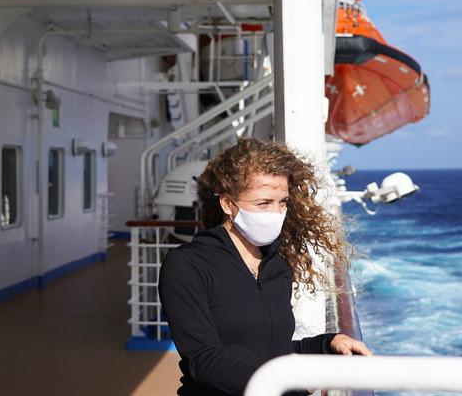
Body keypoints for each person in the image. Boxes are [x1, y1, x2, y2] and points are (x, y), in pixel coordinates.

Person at [158, 137, 372, 396]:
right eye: (263, 203)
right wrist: (283, 383)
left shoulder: (277, 265)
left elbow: (272, 350)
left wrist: (329, 343)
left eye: (282, 202)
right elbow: (203, 360)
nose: (276, 213)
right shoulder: (187, 265)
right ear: (228, 203)